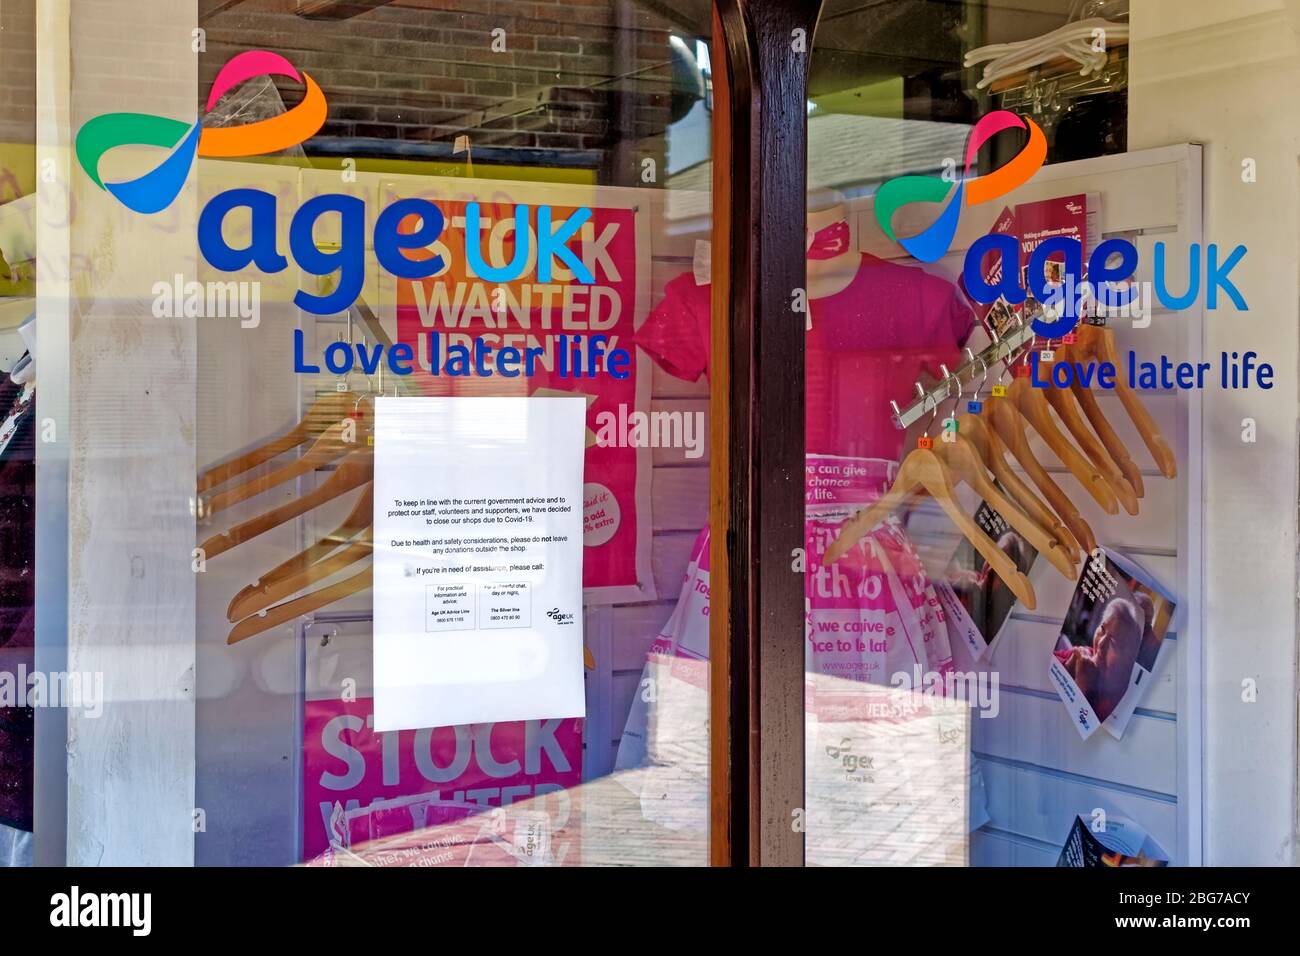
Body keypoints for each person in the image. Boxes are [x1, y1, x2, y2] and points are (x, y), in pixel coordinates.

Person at [1056, 597, 1143, 723]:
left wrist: (1082, 684)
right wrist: (1068, 666)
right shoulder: (1087, 653)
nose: (1101, 644)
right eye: (1102, 629)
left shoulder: (1115, 703)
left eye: (1114, 642)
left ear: (1126, 663)